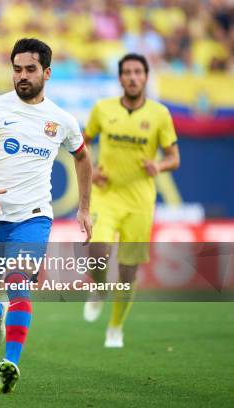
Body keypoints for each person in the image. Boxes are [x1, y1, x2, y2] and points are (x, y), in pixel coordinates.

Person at [0, 38, 92, 393]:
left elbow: (82, 157)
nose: (22, 76)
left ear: (47, 72)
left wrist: (84, 207)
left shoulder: (61, 120)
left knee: (18, 281)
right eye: (17, 69)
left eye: (30, 69)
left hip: (32, 217)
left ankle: (11, 362)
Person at [82, 53, 180, 348]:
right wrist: (91, 170)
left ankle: (115, 327)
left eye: (138, 72)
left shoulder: (160, 114)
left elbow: (174, 157)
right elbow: (81, 143)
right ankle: (99, 288)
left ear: (146, 77)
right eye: (127, 72)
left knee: (128, 270)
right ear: (120, 78)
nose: (133, 77)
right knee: (97, 249)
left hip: (139, 201)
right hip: (106, 195)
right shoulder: (103, 109)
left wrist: (159, 166)